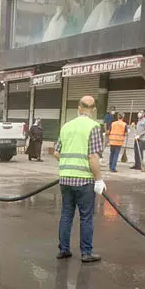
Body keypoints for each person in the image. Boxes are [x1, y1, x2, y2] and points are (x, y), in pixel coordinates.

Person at [54, 96, 105, 263]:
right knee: (86, 217)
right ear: (93, 109)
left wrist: (69, 165)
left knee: (66, 214)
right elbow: (93, 157)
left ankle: (64, 249)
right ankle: (86, 252)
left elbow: (56, 152)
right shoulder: (94, 127)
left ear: (79, 108)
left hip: (65, 179)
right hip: (84, 180)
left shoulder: (66, 126)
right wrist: (99, 179)